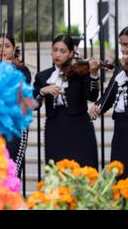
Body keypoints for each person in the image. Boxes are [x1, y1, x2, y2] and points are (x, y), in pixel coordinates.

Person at [33, 34, 100, 168]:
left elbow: (92, 96)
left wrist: (93, 74)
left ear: (70, 54)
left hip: (80, 129)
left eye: (62, 51)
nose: (57, 54)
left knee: (84, 173)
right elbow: (34, 105)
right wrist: (42, 91)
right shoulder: (42, 76)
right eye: (55, 50)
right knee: (57, 175)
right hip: (55, 130)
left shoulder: (80, 72)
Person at [0, 33, 31, 177]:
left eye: (7, 46)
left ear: (13, 50)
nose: (3, 50)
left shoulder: (22, 70)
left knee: (11, 171)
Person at [89, 26, 128, 179]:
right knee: (119, 176)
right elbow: (107, 98)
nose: (123, 49)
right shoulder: (119, 71)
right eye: (121, 45)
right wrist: (98, 106)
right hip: (120, 132)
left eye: (127, 45)